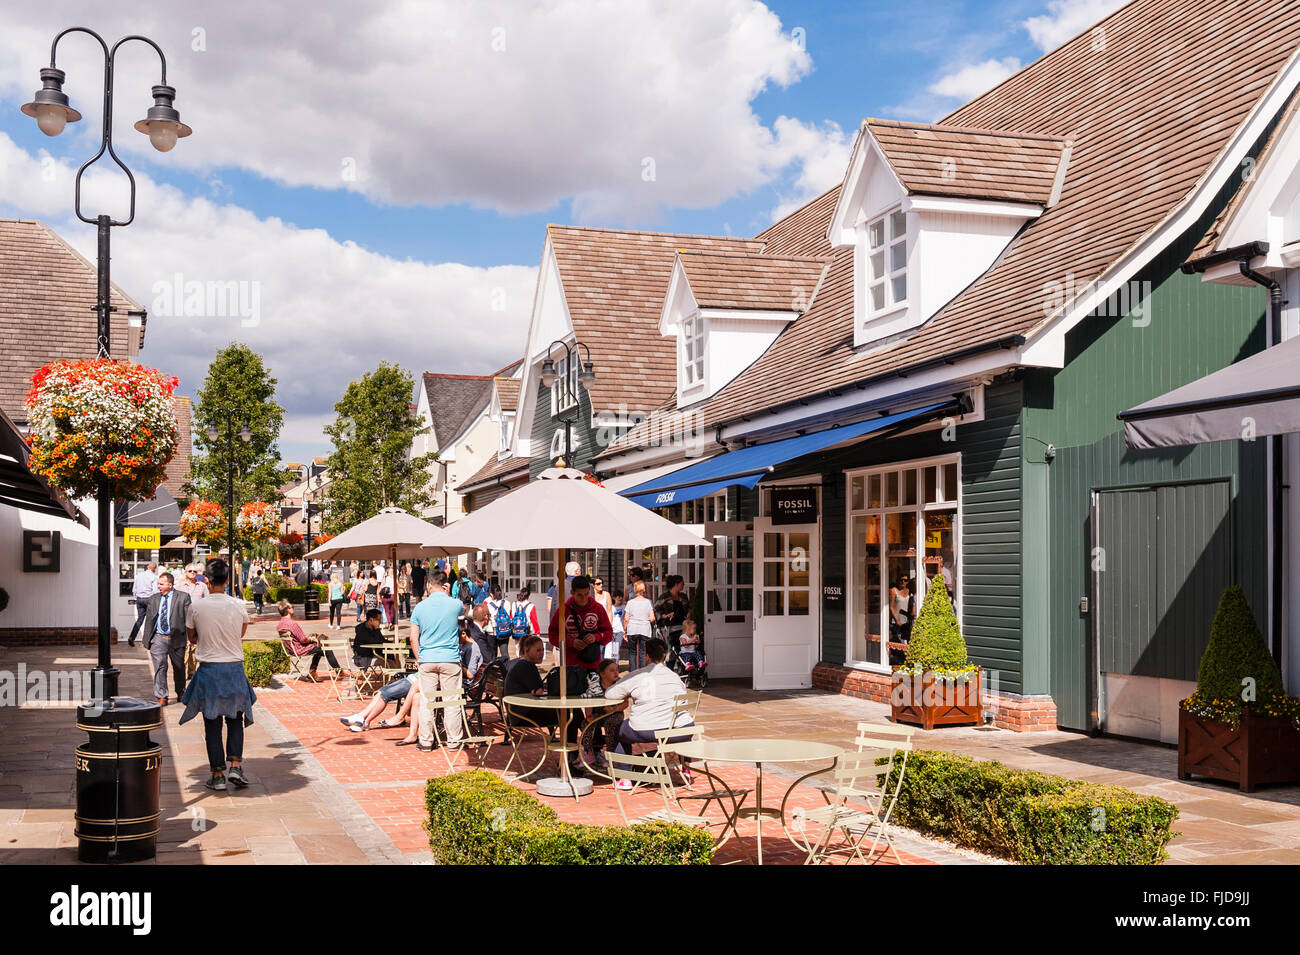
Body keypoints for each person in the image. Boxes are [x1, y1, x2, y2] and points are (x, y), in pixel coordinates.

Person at [180, 559, 255, 792]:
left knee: (212, 724)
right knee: (235, 720)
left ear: (207, 580)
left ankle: (218, 774)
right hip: (233, 668)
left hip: (210, 669)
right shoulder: (238, 605)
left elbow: (192, 637)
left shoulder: (196, 607)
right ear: (228, 579)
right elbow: (240, 634)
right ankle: (235, 765)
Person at [602, 636, 695, 789]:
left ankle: (626, 778)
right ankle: (686, 771)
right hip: (682, 729)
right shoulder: (675, 676)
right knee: (681, 719)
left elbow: (610, 694)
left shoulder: (637, 675)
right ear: (664, 655)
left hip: (648, 730)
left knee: (621, 729)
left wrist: (629, 693)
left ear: (646, 656)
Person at [408, 569, 464, 753]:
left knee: (427, 701)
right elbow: (462, 618)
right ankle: (454, 741)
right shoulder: (455, 604)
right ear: (445, 585)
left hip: (427, 658)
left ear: (429, 585)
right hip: (450, 658)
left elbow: (413, 638)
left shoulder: (420, 607)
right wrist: (448, 595)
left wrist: (419, 658)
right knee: (452, 701)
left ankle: (425, 740)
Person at [547, 575, 612, 695]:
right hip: (571, 667)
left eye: (586, 594)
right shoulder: (563, 610)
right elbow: (552, 636)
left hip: (592, 665)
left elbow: (608, 633)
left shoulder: (598, 609)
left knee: (593, 702)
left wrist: (596, 637)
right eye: (579, 595)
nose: (583, 598)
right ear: (572, 592)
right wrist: (571, 642)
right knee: (572, 701)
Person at [142, 571, 191, 704]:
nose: (158, 586)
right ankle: (161, 695)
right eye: (158, 584)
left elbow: (189, 619)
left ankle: (181, 691)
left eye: (161, 584)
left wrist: (190, 637)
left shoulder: (183, 597)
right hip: (158, 638)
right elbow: (149, 621)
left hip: (177, 637)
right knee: (160, 666)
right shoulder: (153, 599)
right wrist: (146, 639)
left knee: (179, 666)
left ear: (170, 585)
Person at [276, 599, 338, 681]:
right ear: (287, 610)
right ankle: (339, 672)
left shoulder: (280, 624)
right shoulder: (292, 624)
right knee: (327, 650)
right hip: (300, 649)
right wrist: (312, 639)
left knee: (318, 649)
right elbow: (303, 640)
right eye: (292, 607)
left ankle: (312, 672)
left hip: (292, 650)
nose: (293, 608)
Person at [623, 579, 655, 671]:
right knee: (642, 653)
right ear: (644, 589)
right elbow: (652, 618)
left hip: (632, 629)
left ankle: (632, 673)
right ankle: (643, 672)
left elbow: (626, 619)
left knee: (632, 653)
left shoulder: (630, 602)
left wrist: (625, 631)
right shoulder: (648, 602)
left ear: (635, 589)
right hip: (645, 629)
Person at [653, 575, 689, 652]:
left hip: (683, 627)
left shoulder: (683, 596)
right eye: (682, 583)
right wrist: (664, 616)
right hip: (669, 627)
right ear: (676, 584)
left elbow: (688, 608)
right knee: (670, 650)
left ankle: (681, 663)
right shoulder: (664, 596)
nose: (683, 585)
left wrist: (689, 614)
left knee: (682, 649)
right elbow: (656, 609)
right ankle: (670, 663)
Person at [127, 561, 159, 646]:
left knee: (140, 619)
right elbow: (155, 591)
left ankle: (132, 637)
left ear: (147, 567)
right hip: (149, 599)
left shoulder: (139, 575)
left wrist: (136, 598)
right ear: (155, 569)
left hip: (139, 599)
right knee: (149, 620)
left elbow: (134, 589)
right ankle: (146, 641)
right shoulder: (154, 577)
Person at [485, 585, 514, 660]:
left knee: (492, 654)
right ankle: (507, 668)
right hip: (504, 631)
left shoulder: (489, 605)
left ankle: (494, 670)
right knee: (504, 653)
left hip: (492, 632)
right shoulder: (507, 603)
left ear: (491, 594)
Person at [510, 587, 540, 659]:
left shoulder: (514, 604)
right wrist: (537, 633)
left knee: (518, 648)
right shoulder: (531, 606)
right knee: (527, 649)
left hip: (516, 631)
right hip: (527, 632)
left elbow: (511, 617)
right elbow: (534, 620)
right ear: (528, 596)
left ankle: (519, 663)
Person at [607, 589, 626, 664]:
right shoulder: (610, 607)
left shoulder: (624, 607)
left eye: (621, 597)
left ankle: (616, 665)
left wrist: (625, 630)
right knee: (610, 650)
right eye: (618, 597)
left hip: (619, 630)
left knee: (616, 649)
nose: (620, 598)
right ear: (614, 597)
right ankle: (611, 665)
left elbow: (625, 618)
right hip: (611, 630)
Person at [888, 576, 910, 641]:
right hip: (897, 622)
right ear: (898, 580)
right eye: (901, 580)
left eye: (905, 580)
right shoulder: (894, 590)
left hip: (906, 622)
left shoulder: (909, 591)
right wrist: (896, 620)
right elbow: (891, 607)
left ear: (907, 582)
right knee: (897, 642)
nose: (903, 582)